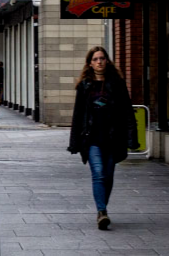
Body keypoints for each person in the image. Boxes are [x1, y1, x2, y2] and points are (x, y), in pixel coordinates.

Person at [67, 46, 138, 231]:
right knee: (98, 174)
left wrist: (132, 138)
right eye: (96, 59)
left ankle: (102, 209)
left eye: (102, 58)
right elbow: (78, 115)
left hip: (113, 138)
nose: (99, 62)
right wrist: (74, 142)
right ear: (90, 63)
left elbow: (127, 113)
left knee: (108, 176)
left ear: (107, 61)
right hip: (91, 139)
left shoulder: (117, 84)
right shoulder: (84, 86)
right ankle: (102, 211)